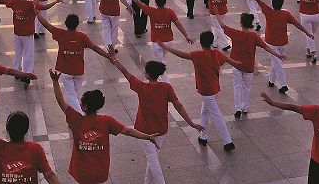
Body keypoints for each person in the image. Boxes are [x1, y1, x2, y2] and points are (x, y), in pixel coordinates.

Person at [49, 70, 159, 184]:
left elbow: (60, 101)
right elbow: (128, 131)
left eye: (81, 103)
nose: (80, 105)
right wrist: (148, 137)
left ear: (85, 107)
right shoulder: (106, 121)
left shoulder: (76, 119)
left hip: (82, 172)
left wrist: (55, 82)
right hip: (99, 172)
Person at [107, 55, 204, 183]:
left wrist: (114, 58)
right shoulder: (166, 88)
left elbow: (126, 72)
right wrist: (191, 123)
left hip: (144, 131)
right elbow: (179, 106)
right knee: (153, 158)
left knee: (152, 159)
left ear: (147, 74)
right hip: (161, 130)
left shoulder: (141, 87)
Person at [160, 31, 241, 151]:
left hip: (206, 91)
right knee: (205, 112)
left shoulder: (197, 55)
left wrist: (167, 48)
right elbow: (230, 61)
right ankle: (203, 136)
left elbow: (182, 54)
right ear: (212, 42)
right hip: (215, 89)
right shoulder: (217, 53)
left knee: (216, 115)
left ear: (201, 43)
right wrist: (238, 63)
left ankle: (228, 141)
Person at [0, 0, 62, 88]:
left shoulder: (14, 2)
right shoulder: (32, 4)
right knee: (28, 55)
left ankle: (17, 72)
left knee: (18, 53)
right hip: (28, 35)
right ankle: (26, 75)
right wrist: (56, 1)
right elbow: (44, 7)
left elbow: (2, 1)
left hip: (17, 33)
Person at [35, 13, 109, 112]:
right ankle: (75, 117)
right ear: (77, 24)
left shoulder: (61, 34)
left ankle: (80, 118)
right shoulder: (82, 36)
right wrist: (108, 56)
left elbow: (46, 25)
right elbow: (95, 47)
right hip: (79, 72)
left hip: (65, 72)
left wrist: (37, 13)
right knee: (74, 95)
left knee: (71, 96)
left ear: (66, 23)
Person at [218, 13, 287, 118]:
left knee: (237, 87)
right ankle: (244, 107)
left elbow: (222, 26)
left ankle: (237, 109)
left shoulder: (235, 33)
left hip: (236, 64)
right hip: (248, 66)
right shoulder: (254, 36)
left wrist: (217, 14)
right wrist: (278, 55)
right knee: (247, 87)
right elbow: (266, 47)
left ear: (241, 23)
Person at [247, 0, 313, 93]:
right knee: (276, 62)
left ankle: (283, 84)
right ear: (282, 4)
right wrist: (307, 32)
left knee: (277, 64)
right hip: (283, 42)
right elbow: (297, 24)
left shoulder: (269, 11)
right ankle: (271, 81)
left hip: (271, 43)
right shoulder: (286, 14)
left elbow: (259, 1)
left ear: (272, 4)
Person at [125, 0, 194, 81]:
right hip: (169, 42)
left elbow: (139, 3)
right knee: (160, 60)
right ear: (165, 2)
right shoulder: (170, 12)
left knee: (159, 64)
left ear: (156, 2)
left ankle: (166, 83)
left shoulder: (151, 11)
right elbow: (178, 24)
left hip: (157, 44)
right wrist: (186, 36)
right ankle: (162, 78)